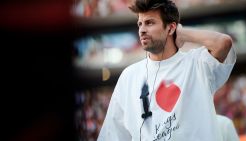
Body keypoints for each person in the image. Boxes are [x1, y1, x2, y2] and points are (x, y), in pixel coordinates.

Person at [97, 0, 236, 140]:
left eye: (150, 23)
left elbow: (223, 43)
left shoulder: (197, 64)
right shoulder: (129, 76)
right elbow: (112, 134)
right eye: (140, 24)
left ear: (171, 28)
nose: (142, 30)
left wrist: (183, 34)